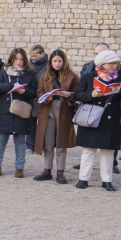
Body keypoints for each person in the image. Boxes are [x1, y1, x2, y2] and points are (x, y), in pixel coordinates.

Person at [74, 49, 121, 191]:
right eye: (110, 63)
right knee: (88, 150)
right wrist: (91, 94)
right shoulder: (88, 77)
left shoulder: (120, 79)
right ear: (101, 64)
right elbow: (78, 95)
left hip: (110, 118)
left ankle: (107, 180)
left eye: (115, 63)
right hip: (92, 118)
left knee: (108, 151)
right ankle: (83, 179)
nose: (114, 66)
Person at [0, 48, 38, 177]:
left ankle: (19, 168)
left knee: (20, 140)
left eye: (21, 59)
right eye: (16, 59)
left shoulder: (30, 74)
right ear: (12, 59)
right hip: (4, 110)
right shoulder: (4, 72)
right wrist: (11, 86)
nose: (19, 62)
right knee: (1, 139)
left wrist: (24, 91)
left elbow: (35, 92)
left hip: (21, 109)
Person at [33, 50, 78, 184]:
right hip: (48, 110)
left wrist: (69, 95)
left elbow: (78, 93)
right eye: (55, 61)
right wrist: (47, 97)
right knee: (48, 142)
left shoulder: (72, 75)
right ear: (50, 62)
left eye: (60, 61)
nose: (57, 64)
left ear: (64, 61)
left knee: (61, 142)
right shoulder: (45, 75)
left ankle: (60, 172)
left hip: (64, 110)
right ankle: (47, 170)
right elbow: (39, 92)